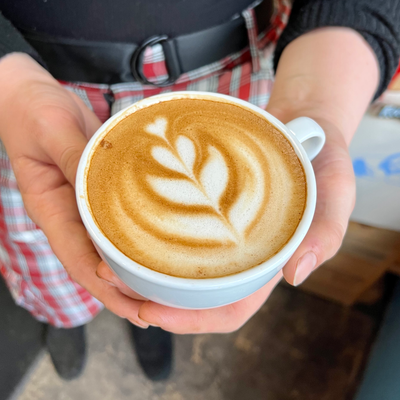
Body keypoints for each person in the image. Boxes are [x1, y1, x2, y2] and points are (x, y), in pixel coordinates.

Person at [0, 0, 399, 381]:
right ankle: (64, 319)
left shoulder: (262, 135)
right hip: (32, 88)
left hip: (240, 106)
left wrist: (320, 102)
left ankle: (152, 316)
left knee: (149, 297)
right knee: (46, 254)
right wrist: (11, 78)